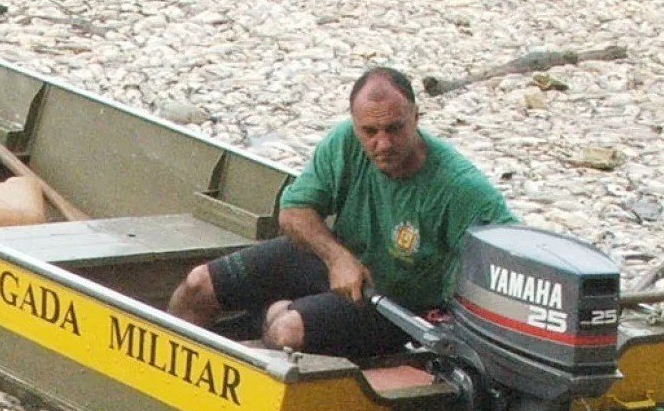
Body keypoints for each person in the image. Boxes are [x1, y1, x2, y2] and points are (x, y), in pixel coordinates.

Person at [168, 67, 516, 358]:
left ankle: (272, 319)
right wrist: (336, 258)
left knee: (286, 331)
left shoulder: (462, 189)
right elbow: (293, 211)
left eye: (395, 129)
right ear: (355, 125)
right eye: (370, 132)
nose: (382, 144)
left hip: (394, 305)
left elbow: (511, 254)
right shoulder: (345, 142)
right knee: (198, 284)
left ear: (416, 118)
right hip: (341, 264)